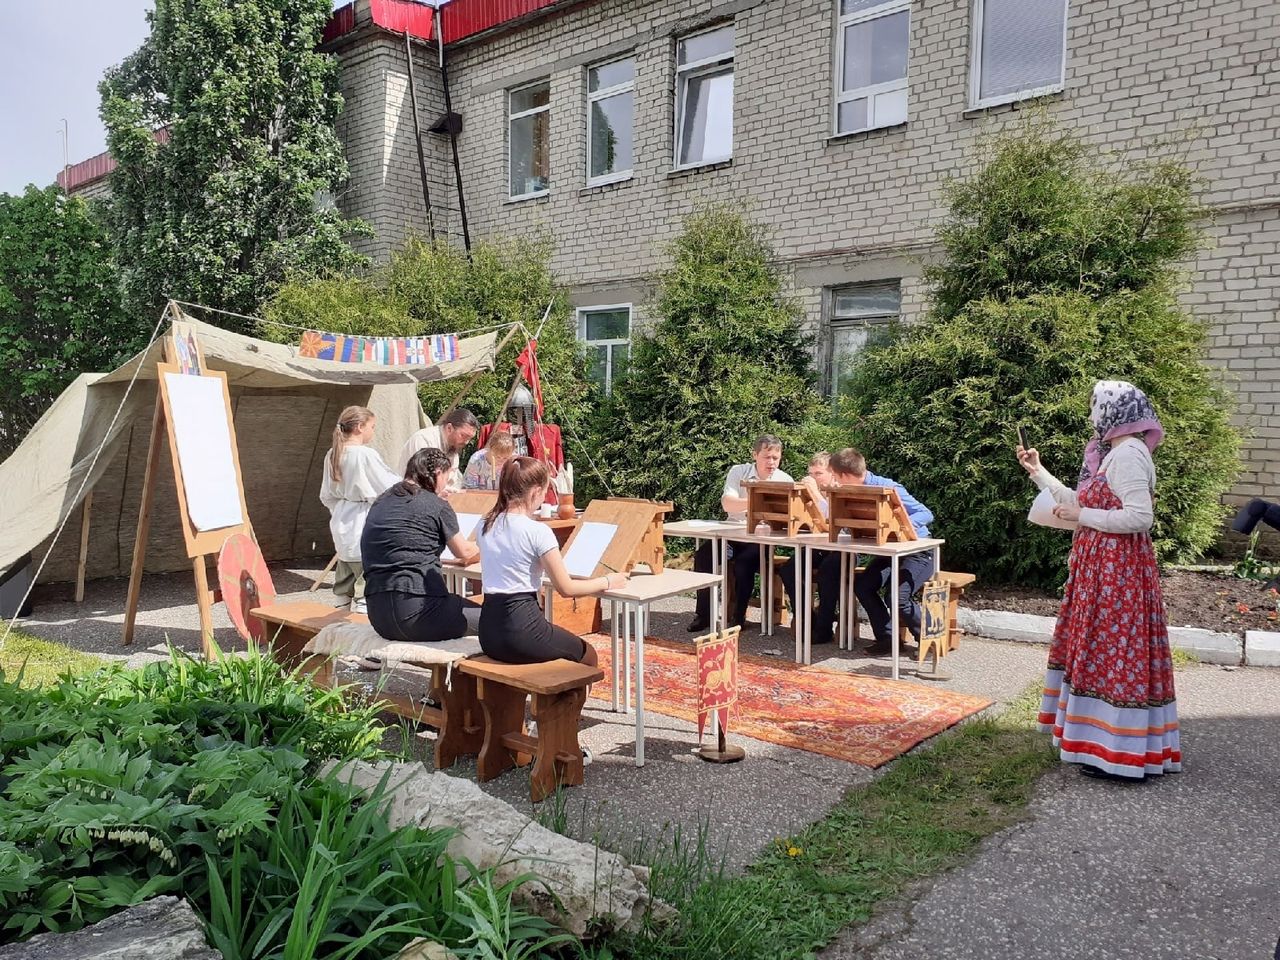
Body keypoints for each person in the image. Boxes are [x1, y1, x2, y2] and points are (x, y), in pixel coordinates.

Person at [1017, 379, 1181, 780]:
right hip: (1100, 567)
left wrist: (1083, 517)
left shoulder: (1129, 454)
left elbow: (1140, 517)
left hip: (1118, 570)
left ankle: (1119, 754)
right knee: (1099, 650)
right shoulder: (1110, 453)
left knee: (1115, 651)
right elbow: (1078, 502)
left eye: (1096, 406)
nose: (1092, 414)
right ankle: (1099, 746)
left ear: (1116, 412)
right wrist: (1038, 472)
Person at [476, 456, 628, 666]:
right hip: (522, 630)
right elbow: (566, 588)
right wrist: (608, 581)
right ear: (535, 491)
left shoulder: (485, 524)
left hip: (489, 632)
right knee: (588, 655)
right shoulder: (537, 531)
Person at [805, 448, 935, 652]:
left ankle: (930, 640)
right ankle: (888, 639)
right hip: (889, 555)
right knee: (863, 586)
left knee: (897, 598)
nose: (835, 481)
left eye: (836, 476)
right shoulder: (847, 490)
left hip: (918, 553)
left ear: (844, 475)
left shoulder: (888, 487)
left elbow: (925, 513)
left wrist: (900, 526)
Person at [361, 447, 482, 646]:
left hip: (378, 616)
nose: (445, 486)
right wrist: (486, 548)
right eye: (446, 479)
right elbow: (465, 552)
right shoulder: (435, 504)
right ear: (438, 473)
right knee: (495, 621)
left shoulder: (381, 501)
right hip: (421, 613)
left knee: (457, 604)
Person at [687, 435, 794, 632]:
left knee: (744, 564)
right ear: (755, 455)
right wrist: (758, 501)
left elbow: (788, 518)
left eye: (775, 458)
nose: (771, 462)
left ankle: (738, 617)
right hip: (732, 534)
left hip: (761, 539)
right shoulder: (738, 472)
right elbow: (728, 504)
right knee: (703, 556)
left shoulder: (785, 481)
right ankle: (703, 615)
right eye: (767, 457)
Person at [319, 406, 400, 613]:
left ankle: (337, 622)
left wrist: (342, 510)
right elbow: (387, 485)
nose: (373, 431)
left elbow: (326, 495)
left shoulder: (332, 453)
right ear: (359, 427)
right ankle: (363, 622)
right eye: (372, 426)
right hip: (364, 521)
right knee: (367, 582)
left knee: (344, 578)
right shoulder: (364, 454)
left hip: (341, 521)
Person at [396, 408, 480, 492]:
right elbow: (421, 480)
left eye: (469, 438)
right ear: (449, 428)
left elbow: (452, 483)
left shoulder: (454, 451)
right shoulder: (423, 440)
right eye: (463, 435)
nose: (466, 442)